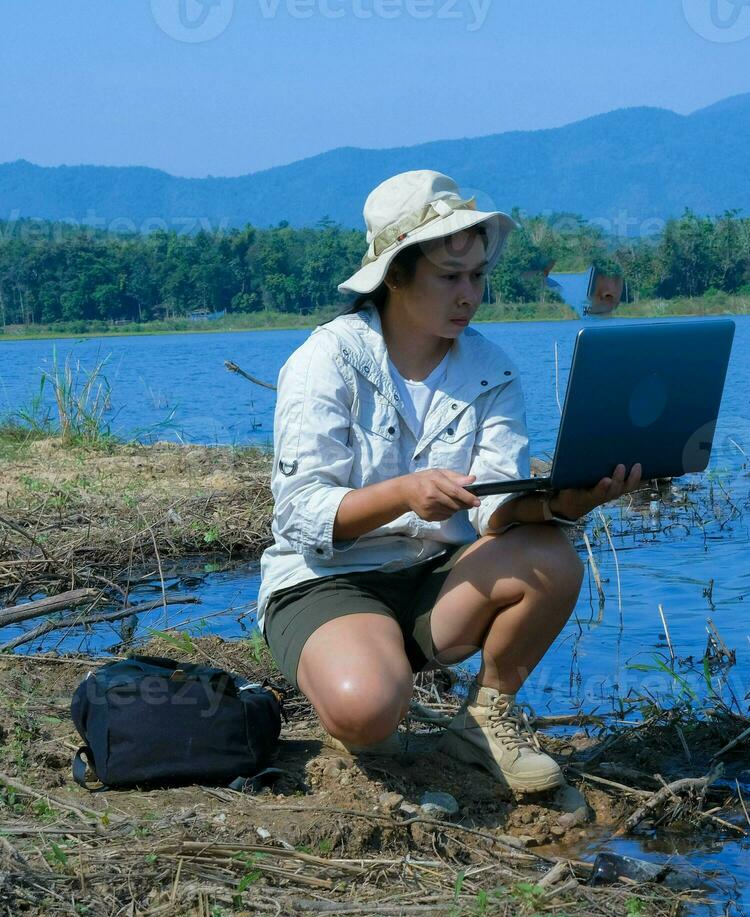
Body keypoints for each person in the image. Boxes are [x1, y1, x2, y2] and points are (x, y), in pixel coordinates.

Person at [256, 170, 642, 795]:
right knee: (365, 712)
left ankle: (487, 720)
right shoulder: (328, 360)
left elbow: (494, 511)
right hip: (327, 581)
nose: (471, 295)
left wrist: (563, 504)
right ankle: (366, 677)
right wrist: (404, 493)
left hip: (436, 578)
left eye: (479, 276)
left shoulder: (491, 370)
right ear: (396, 275)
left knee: (551, 554)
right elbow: (301, 516)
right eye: (450, 277)